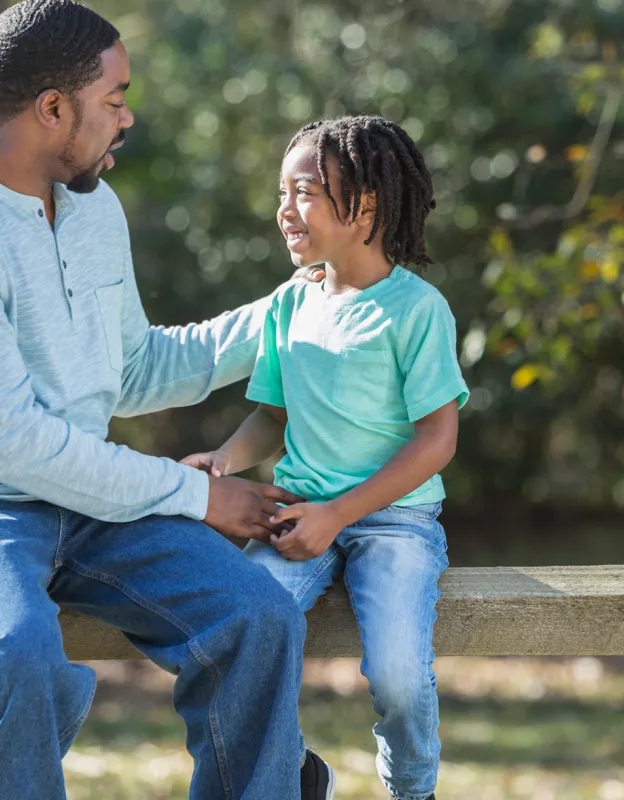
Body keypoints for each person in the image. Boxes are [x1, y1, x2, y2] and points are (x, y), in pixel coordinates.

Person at [0, 1, 318, 797]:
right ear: (52, 108)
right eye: (114, 99)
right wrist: (197, 496)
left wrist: (291, 306)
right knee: (17, 654)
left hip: (96, 508)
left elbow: (133, 368)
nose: (127, 115)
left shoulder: (93, 210)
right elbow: (19, 445)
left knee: (259, 617)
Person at [182, 115, 470, 800]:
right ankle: (298, 774)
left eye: (304, 192)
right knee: (240, 643)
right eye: (282, 193)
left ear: (366, 204)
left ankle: (413, 791)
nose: (285, 211)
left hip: (395, 522)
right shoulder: (290, 304)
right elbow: (275, 418)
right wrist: (224, 462)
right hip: (298, 521)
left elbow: (437, 441)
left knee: (399, 677)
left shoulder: (416, 311)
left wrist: (340, 515)